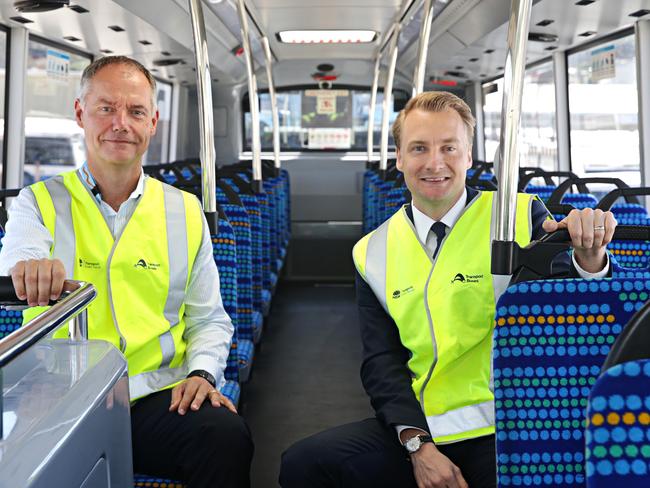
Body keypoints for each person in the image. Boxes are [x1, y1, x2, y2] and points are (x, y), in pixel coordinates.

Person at [279, 91, 616, 488]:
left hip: (511, 423)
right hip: (425, 425)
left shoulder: (519, 218)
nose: (434, 163)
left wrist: (590, 255)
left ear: (469, 156)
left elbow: (578, 306)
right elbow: (382, 362)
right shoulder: (372, 250)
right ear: (399, 158)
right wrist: (417, 445)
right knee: (304, 463)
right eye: (419, 148)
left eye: (449, 148)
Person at [0, 56, 253, 488]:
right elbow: (18, 257)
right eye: (106, 108)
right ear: (81, 113)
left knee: (226, 436)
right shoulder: (35, 203)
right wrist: (29, 268)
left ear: (153, 122)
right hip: (59, 398)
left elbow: (209, 318)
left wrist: (203, 373)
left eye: (135, 111)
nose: (121, 123)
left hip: (156, 395)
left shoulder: (185, 211)